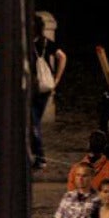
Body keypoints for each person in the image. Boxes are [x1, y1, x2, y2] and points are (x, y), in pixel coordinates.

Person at [31, 14, 66, 170]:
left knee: (33, 122)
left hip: (33, 86)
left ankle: (40, 156)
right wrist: (56, 78)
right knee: (34, 120)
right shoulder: (47, 42)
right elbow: (62, 56)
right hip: (46, 86)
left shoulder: (27, 44)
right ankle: (37, 155)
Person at [66, 130, 109, 202]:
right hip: (108, 210)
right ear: (104, 146)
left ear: (88, 145)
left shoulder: (76, 169)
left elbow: (72, 196)